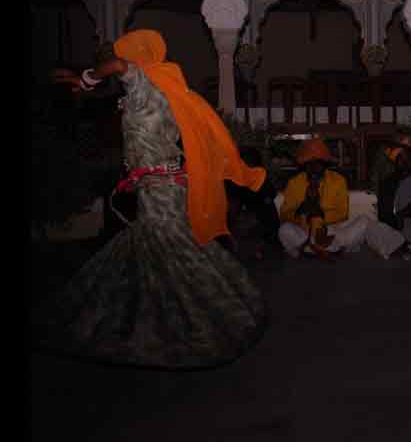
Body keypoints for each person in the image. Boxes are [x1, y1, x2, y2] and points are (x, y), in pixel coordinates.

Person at [33, 29, 268, 369]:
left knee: (175, 248)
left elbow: (115, 65)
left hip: (161, 188)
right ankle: (189, 318)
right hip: (157, 184)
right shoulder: (162, 87)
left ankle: (218, 325)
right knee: (166, 249)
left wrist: (86, 79)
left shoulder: (145, 81)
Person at [278, 138, 369, 259]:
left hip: (331, 229)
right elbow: (284, 214)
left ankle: (312, 250)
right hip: (304, 231)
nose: (314, 167)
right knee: (284, 230)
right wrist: (300, 211)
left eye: (318, 163)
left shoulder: (338, 180)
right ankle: (327, 250)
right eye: (310, 164)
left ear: (325, 164)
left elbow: (343, 213)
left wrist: (321, 215)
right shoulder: (294, 183)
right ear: (304, 165)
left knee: (364, 221)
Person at [364, 135, 411, 260]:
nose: (405, 161)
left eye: (409, 158)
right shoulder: (387, 183)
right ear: (397, 162)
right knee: (371, 228)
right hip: (394, 232)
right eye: (402, 158)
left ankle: (406, 247)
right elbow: (384, 218)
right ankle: (405, 247)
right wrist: (403, 213)